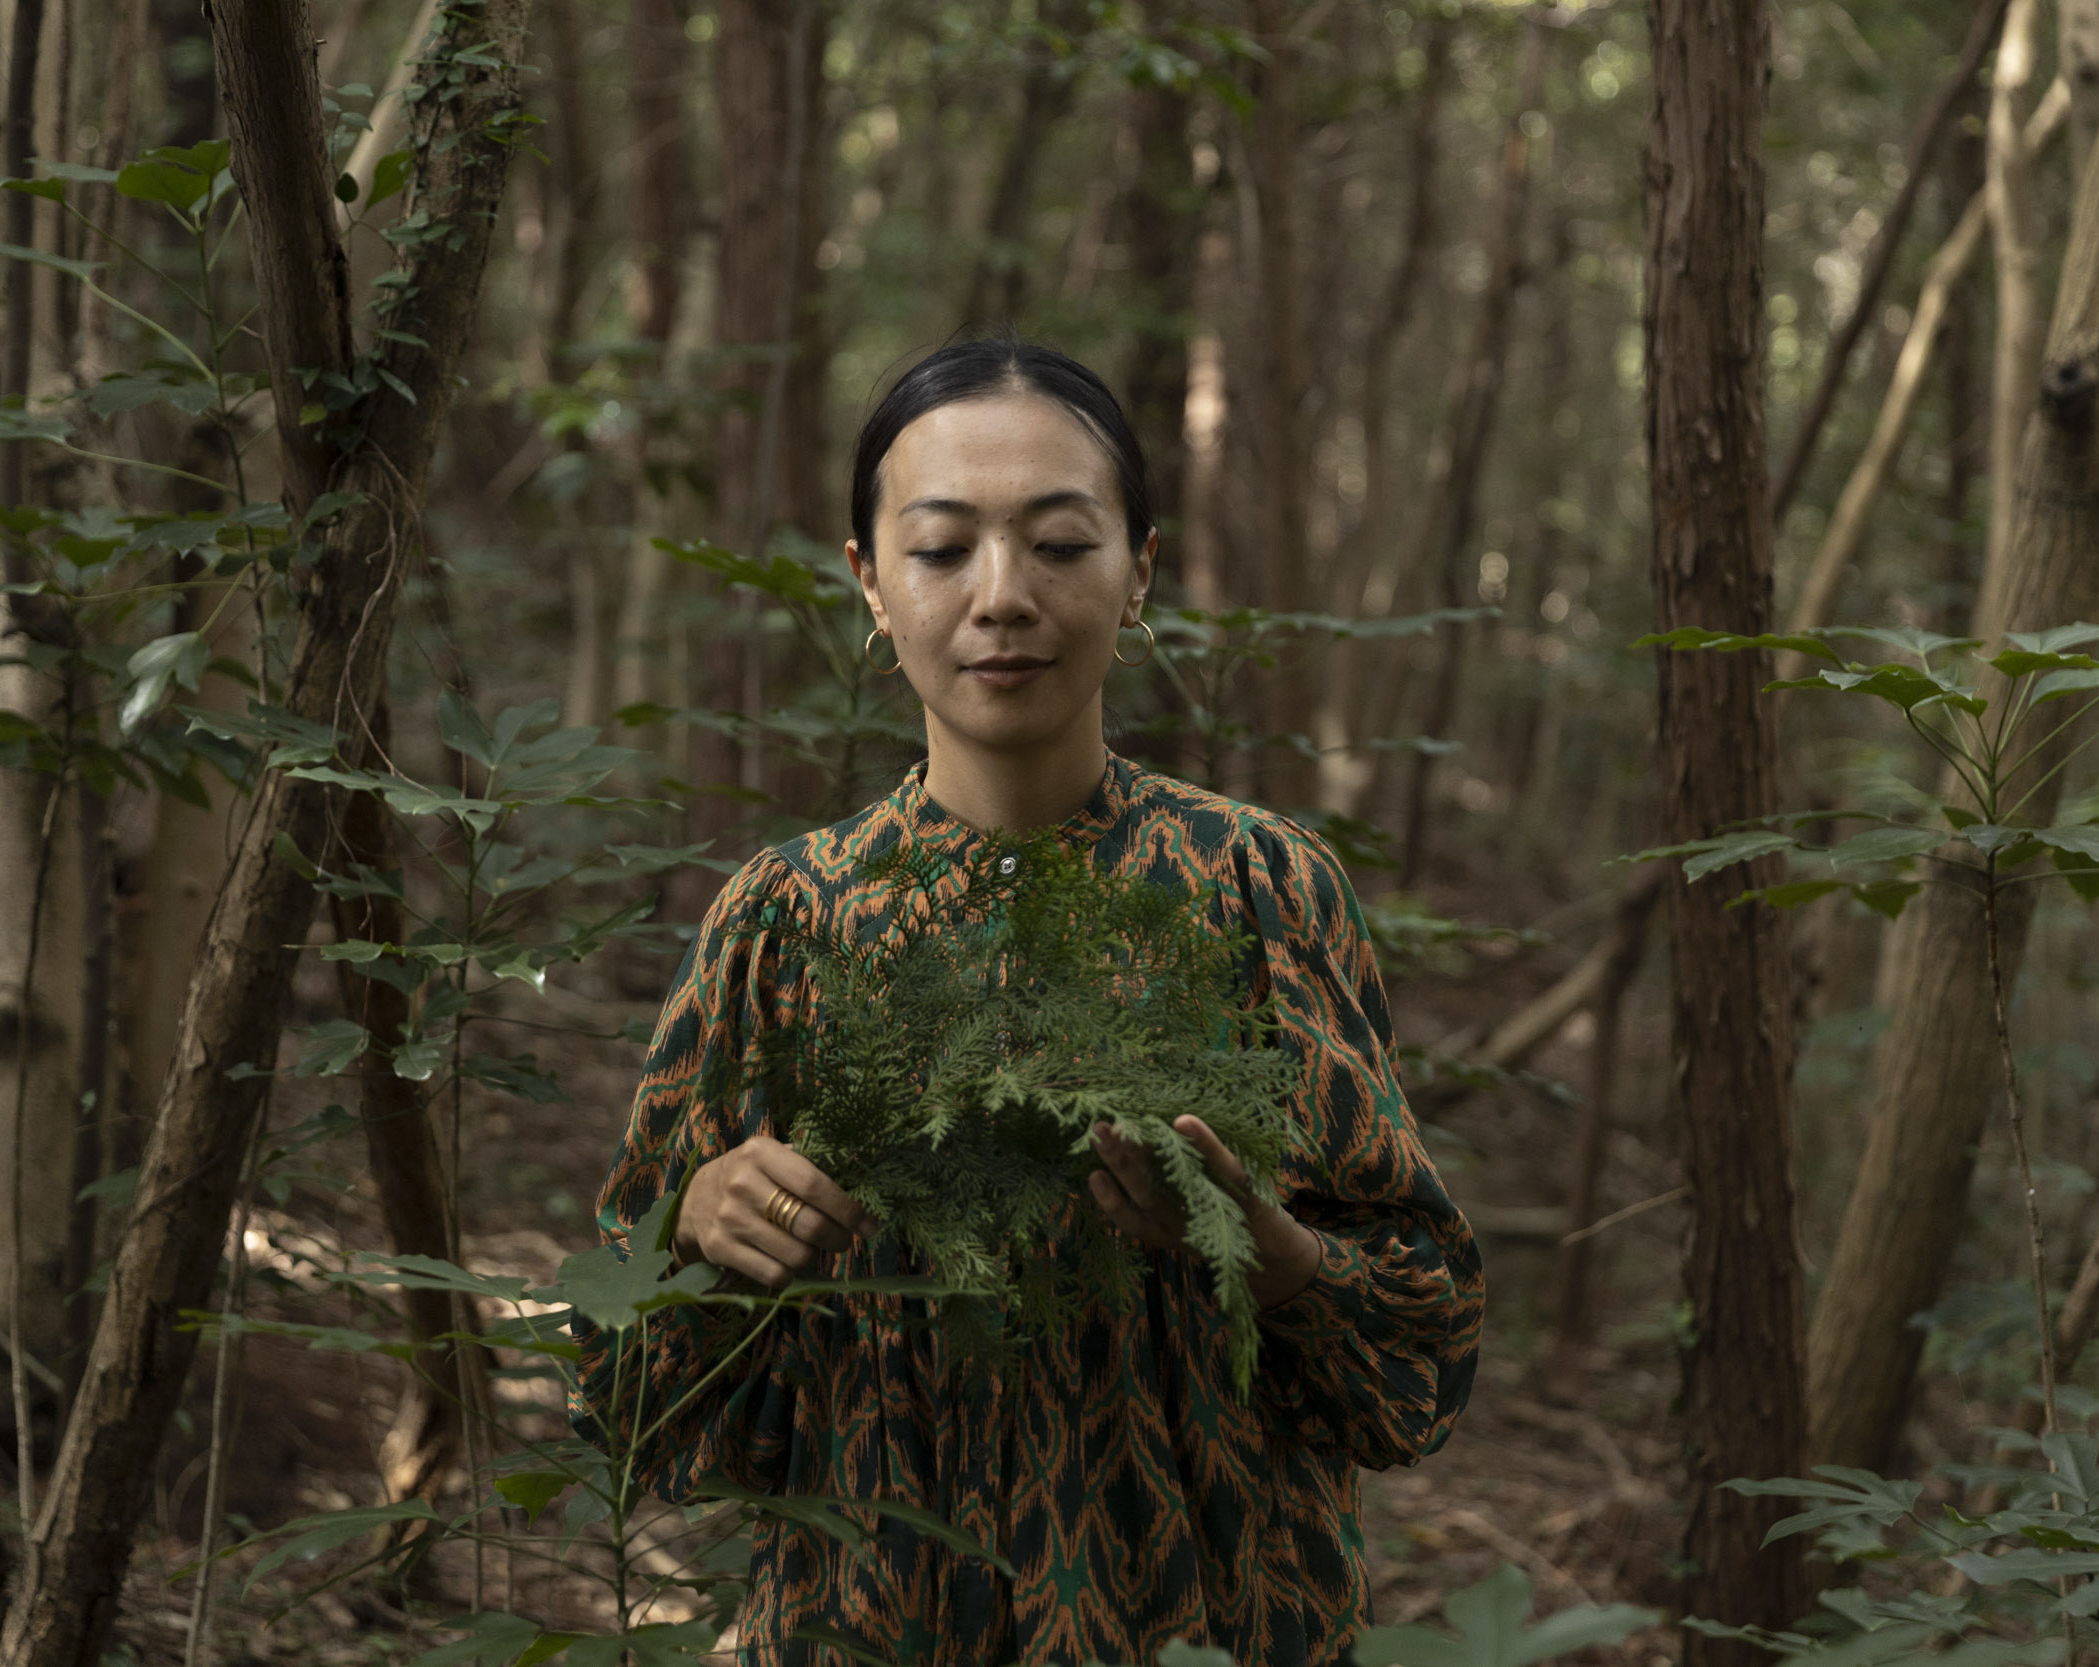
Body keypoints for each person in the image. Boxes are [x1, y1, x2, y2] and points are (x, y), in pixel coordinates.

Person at [574, 339, 1483, 1666]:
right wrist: (699, 1234)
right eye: (943, 550)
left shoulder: (1261, 892)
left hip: (1219, 1626)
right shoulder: (783, 922)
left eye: (1060, 544)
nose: (1004, 597)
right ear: (868, 582)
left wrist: (1269, 1258)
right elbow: (631, 1403)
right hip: (864, 1630)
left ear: (1142, 574)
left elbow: (1421, 1357)